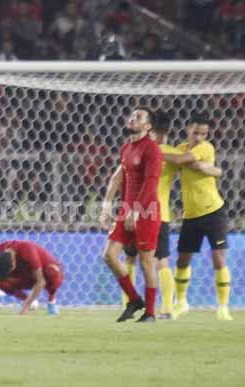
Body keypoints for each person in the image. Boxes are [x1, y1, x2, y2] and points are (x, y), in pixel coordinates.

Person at [122, 111, 223, 319]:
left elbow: (120, 175)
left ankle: (129, 304)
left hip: (134, 210)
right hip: (160, 214)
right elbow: (191, 166)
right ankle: (167, 308)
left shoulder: (137, 150)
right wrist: (216, 170)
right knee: (161, 261)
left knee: (130, 258)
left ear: (148, 126)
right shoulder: (172, 153)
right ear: (169, 130)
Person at [163, 112, 233, 320]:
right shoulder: (182, 148)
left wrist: (164, 155)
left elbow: (180, 160)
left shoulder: (206, 147)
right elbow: (178, 161)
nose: (199, 137)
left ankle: (222, 306)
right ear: (188, 129)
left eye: (203, 133)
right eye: (196, 133)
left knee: (218, 258)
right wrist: (207, 169)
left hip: (213, 211)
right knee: (183, 259)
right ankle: (181, 302)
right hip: (190, 214)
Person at [99, 108, 162, 323]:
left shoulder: (152, 149)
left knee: (146, 261)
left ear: (148, 126)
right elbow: (118, 178)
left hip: (147, 211)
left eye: (139, 117)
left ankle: (151, 312)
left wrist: (137, 210)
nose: (132, 118)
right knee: (109, 254)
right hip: (127, 210)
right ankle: (135, 299)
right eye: (132, 116)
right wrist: (108, 206)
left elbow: (151, 182)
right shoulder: (126, 148)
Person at [0, 240, 63, 315]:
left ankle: (51, 301)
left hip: (41, 273)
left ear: (14, 263)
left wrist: (26, 307)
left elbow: (41, 281)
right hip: (24, 275)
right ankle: (28, 300)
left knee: (53, 272)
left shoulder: (28, 251)